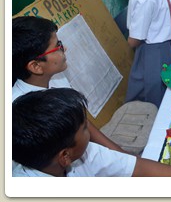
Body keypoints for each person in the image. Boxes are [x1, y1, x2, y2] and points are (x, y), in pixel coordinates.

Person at [12, 88, 171, 177]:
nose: (91, 132)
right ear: (64, 155)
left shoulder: (80, 155)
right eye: (85, 129)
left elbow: (137, 166)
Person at [12, 15, 127, 154]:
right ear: (36, 66)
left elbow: (82, 122)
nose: (64, 48)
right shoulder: (20, 115)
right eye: (57, 46)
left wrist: (119, 153)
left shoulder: (57, 80)